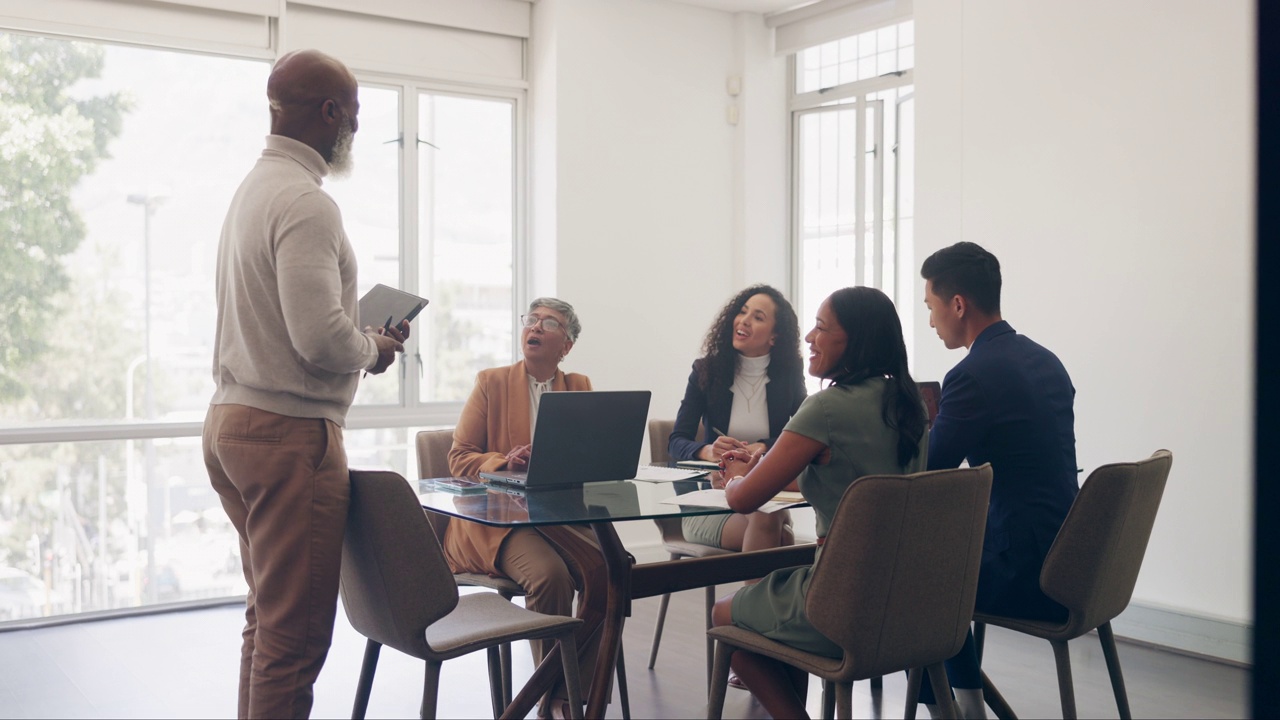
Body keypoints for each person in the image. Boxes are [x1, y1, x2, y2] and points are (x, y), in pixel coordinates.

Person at [202, 50, 407, 720]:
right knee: (294, 641)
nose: (354, 126)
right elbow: (318, 337)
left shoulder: (251, 191)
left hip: (232, 424)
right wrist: (372, 347)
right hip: (289, 437)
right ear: (329, 113)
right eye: (353, 113)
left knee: (267, 621)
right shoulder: (306, 203)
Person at [708, 286, 930, 719]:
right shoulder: (909, 406)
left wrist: (736, 475)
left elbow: (744, 500)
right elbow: (844, 469)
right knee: (775, 601)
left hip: (840, 599)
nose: (809, 337)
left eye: (822, 328)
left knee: (724, 617)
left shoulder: (825, 407)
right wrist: (767, 460)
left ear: (857, 342)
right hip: (907, 599)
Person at [917, 241, 1078, 719]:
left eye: (931, 307)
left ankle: (960, 712)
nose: (930, 320)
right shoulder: (1047, 360)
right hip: (1072, 561)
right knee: (935, 568)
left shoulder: (972, 376)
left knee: (915, 582)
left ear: (958, 305)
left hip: (1028, 571)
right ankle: (966, 703)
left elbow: (929, 468)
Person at [445, 297, 604, 719]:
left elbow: (592, 457)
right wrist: (502, 462)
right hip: (497, 521)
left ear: (566, 346)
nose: (534, 327)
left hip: (560, 516)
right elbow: (460, 458)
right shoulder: (490, 382)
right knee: (550, 577)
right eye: (530, 320)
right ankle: (550, 696)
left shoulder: (580, 387)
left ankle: (575, 694)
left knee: (607, 572)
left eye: (548, 323)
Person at [668, 285, 806, 562]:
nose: (743, 320)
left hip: (768, 495)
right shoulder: (705, 371)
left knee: (771, 518)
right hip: (709, 500)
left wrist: (763, 447)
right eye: (742, 312)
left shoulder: (789, 374)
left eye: (758, 317)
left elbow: (805, 434)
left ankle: (748, 604)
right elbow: (676, 442)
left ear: (775, 336)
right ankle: (755, 605)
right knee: (777, 531)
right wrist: (708, 451)